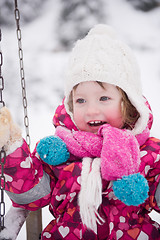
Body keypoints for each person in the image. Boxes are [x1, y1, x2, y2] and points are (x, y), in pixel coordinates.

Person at [0, 24, 160, 240]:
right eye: (81, 100)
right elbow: (31, 194)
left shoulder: (147, 154)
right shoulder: (58, 153)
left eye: (104, 98)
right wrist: (10, 148)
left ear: (129, 104)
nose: (91, 110)